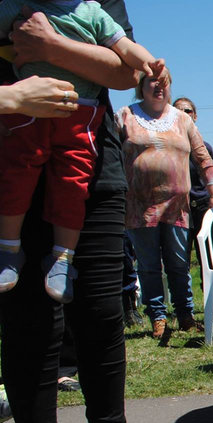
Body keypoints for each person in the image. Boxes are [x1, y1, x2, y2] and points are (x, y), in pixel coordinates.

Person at [0, 0, 153, 423]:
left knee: (102, 312)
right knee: (33, 318)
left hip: (93, 159)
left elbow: (122, 70)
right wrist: (13, 94)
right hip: (16, 162)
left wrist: (51, 47)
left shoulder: (91, 2)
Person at [0, 1, 161, 304]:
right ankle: (8, 251)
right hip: (24, 113)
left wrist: (153, 65)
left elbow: (127, 57)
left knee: (72, 187)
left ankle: (63, 260)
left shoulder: (92, 10)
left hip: (79, 116)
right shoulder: (18, 5)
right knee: (13, 179)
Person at [117, 71, 213, 340]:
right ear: (140, 87)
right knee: (148, 264)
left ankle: (185, 315)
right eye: (152, 82)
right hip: (139, 205)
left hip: (177, 205)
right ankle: (158, 317)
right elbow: (109, 153)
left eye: (164, 83)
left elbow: (203, 159)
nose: (159, 87)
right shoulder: (124, 116)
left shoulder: (181, 119)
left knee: (179, 263)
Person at [173, 97, 213, 269]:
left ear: (195, 116)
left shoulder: (205, 148)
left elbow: (208, 178)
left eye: (187, 111)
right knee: (179, 260)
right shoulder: (167, 147)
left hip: (202, 206)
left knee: (209, 257)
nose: (183, 114)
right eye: (178, 111)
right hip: (178, 207)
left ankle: (211, 294)